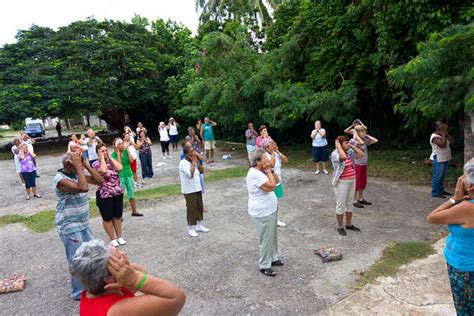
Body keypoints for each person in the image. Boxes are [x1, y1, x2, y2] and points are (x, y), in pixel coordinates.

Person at [70, 239, 186, 315]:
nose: (123, 254)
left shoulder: (96, 287)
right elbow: (176, 297)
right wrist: (135, 280)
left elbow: (143, 272)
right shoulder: (118, 310)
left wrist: (127, 270)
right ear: (109, 279)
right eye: (118, 255)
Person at [53, 151, 103, 300]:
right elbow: (83, 188)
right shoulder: (59, 179)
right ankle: (78, 292)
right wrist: (78, 166)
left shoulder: (77, 174)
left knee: (92, 254)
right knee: (76, 259)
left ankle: (91, 285)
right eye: (77, 163)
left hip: (83, 223)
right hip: (69, 225)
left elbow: (100, 180)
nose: (80, 164)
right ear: (69, 164)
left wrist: (86, 164)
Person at [427, 159, 474, 315]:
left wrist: (455, 199)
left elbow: (432, 217)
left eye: (464, 175)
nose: (460, 178)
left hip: (465, 268)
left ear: (470, 186)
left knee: (465, 310)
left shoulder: (466, 208)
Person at [247, 149, 284, 277]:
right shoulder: (254, 174)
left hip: (270, 208)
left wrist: (271, 171)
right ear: (257, 161)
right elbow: (272, 186)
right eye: (265, 158)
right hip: (262, 211)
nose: (268, 160)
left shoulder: (261, 171)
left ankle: (273, 258)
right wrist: (268, 171)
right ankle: (264, 265)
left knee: (272, 236)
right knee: (266, 238)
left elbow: (277, 180)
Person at [93, 143, 126, 247]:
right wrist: (102, 158)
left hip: (117, 192)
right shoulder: (95, 164)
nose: (105, 152)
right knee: (107, 218)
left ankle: (119, 236)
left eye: (106, 150)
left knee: (117, 215)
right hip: (105, 194)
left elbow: (120, 168)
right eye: (102, 151)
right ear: (98, 153)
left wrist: (110, 158)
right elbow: (103, 170)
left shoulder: (112, 162)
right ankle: (112, 238)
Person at [330, 136, 364, 236]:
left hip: (351, 181)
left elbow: (361, 154)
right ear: (339, 144)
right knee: (340, 204)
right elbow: (343, 158)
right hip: (341, 182)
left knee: (349, 203)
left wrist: (352, 146)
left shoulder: (349, 152)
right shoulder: (335, 153)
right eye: (345, 143)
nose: (347, 144)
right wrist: (338, 147)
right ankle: (340, 226)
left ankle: (349, 224)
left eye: (347, 142)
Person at [179, 145, 209, 237]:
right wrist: (193, 163)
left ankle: (199, 225)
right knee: (191, 208)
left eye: (194, 151)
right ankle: (191, 228)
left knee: (199, 206)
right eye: (191, 152)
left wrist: (197, 162)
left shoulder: (194, 161)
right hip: (189, 190)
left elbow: (201, 171)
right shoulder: (183, 163)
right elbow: (190, 174)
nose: (194, 153)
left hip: (197, 187)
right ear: (186, 154)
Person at [112, 138, 143, 217]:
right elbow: (119, 165)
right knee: (120, 196)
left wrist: (128, 150)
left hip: (128, 174)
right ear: (116, 146)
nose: (122, 145)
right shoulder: (113, 155)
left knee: (131, 193)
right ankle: (119, 215)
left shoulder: (125, 151)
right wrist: (118, 153)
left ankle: (134, 211)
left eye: (122, 143)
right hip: (120, 176)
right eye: (119, 144)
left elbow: (131, 160)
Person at [350, 124, 378, 208]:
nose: (364, 132)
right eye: (363, 131)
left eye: (365, 131)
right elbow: (359, 143)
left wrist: (365, 135)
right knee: (357, 182)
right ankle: (354, 200)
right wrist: (355, 134)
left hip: (364, 163)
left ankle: (360, 198)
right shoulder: (353, 140)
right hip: (357, 163)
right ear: (358, 133)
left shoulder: (365, 139)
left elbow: (375, 140)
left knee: (362, 182)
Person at [263, 141, 289, 228]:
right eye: (271, 146)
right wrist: (273, 152)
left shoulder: (276, 153)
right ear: (266, 148)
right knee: (271, 202)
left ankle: (275, 220)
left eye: (274, 145)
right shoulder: (266, 156)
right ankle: (273, 220)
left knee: (275, 201)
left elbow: (286, 160)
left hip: (278, 181)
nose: (273, 147)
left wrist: (277, 151)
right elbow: (272, 164)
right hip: (271, 181)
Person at [430, 121, 454, 198]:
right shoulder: (434, 136)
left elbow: (452, 141)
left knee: (442, 175)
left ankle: (440, 190)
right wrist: (443, 134)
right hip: (438, 158)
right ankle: (435, 192)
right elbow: (442, 145)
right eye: (440, 124)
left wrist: (445, 133)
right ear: (436, 128)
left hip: (445, 157)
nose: (442, 125)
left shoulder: (443, 134)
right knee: (437, 175)